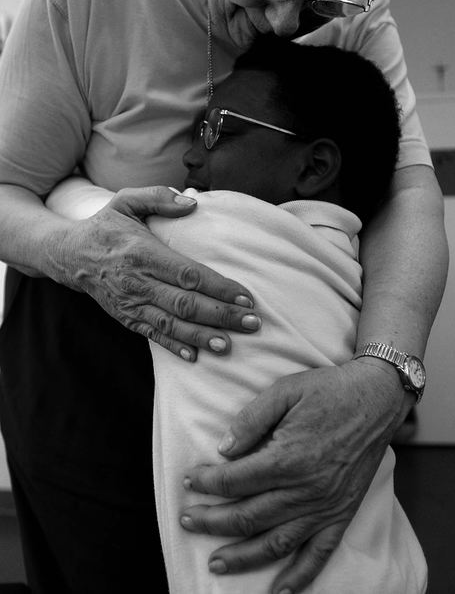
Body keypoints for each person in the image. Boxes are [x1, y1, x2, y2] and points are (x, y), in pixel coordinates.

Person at [0, 0, 447, 592]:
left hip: (258, 382)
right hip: (82, 376)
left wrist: (385, 376)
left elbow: (408, 200)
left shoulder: (365, 18)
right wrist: (79, 253)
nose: (285, 21)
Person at [47, 36, 427, 593]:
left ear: (315, 165)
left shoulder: (211, 227)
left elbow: (68, 199)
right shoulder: (355, 266)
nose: (190, 156)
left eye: (217, 130)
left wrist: (67, 172)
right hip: (389, 565)